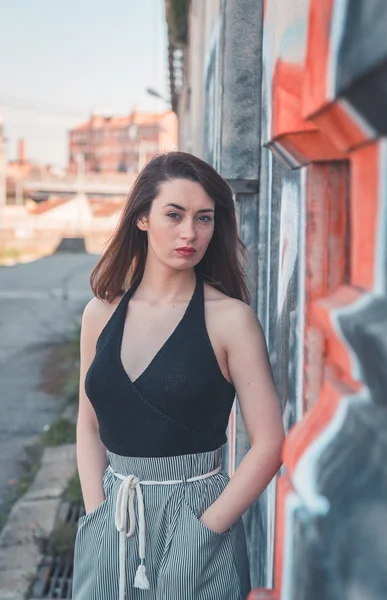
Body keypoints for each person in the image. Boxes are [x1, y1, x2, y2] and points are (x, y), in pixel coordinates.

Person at [72, 152, 285, 600]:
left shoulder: (230, 320)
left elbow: (269, 443)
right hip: (114, 516)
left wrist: (202, 532)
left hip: (200, 518)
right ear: (142, 219)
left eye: (204, 218)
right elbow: (89, 425)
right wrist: (97, 518)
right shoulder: (99, 314)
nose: (190, 232)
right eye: (175, 214)